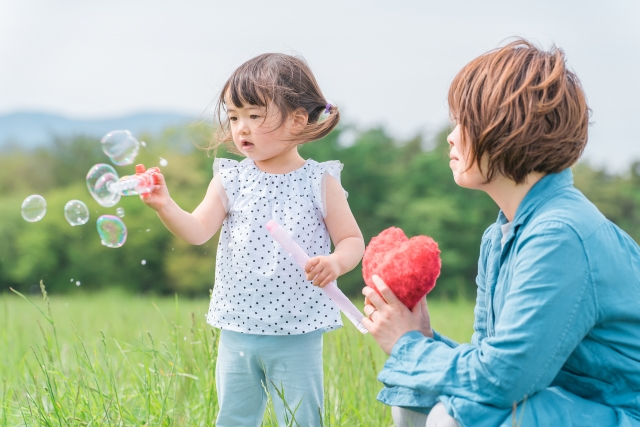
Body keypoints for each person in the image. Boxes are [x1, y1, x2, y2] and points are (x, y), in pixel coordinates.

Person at [362, 39, 640, 427]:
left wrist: (407, 347)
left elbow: (504, 381)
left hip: (622, 414)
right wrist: (422, 339)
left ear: (509, 129)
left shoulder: (560, 234)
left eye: (463, 122)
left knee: (452, 415)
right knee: (418, 398)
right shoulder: (501, 236)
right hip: (569, 406)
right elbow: (490, 361)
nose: (451, 136)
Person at [140, 53, 365, 426]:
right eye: (233, 116)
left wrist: (336, 263)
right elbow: (197, 231)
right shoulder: (231, 178)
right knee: (234, 417)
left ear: (298, 118)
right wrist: (166, 206)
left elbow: (352, 240)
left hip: (298, 330)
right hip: (237, 328)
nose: (240, 127)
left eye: (254, 115)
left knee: (301, 418)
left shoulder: (319, 182)